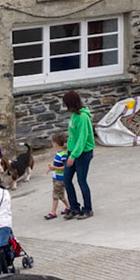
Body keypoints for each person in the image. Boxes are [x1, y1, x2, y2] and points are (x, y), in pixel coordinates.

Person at [62, 89, 95, 219]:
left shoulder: (83, 117)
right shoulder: (74, 116)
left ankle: (87, 209)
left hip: (83, 153)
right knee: (66, 179)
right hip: (72, 151)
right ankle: (74, 207)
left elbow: (82, 139)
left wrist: (73, 156)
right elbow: (73, 136)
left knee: (81, 180)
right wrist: (68, 149)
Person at [45, 132, 68, 220]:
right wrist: (52, 168)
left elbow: (65, 167)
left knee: (55, 195)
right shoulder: (59, 154)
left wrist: (55, 167)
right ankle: (68, 206)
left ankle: (53, 212)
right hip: (56, 177)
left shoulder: (63, 155)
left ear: (56, 143)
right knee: (60, 195)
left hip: (61, 178)